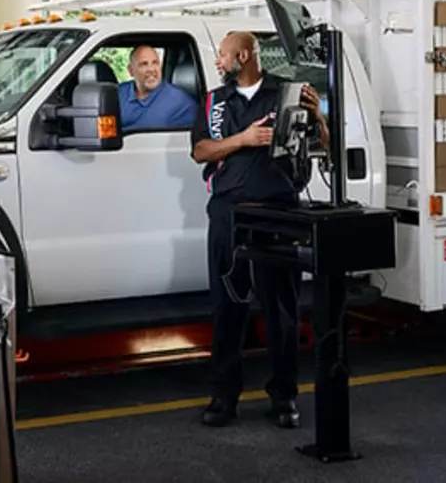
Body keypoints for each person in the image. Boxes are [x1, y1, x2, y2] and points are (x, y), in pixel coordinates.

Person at [190, 31, 328, 429]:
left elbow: (322, 146)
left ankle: (284, 397)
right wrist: (244, 139)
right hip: (228, 215)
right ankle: (224, 396)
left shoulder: (288, 95)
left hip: (278, 214)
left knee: (282, 311)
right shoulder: (215, 101)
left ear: (244, 56)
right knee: (226, 307)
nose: (218, 61)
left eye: (223, 55)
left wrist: (318, 117)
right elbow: (200, 150)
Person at [117, 45, 197, 131]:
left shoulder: (181, 102)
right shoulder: (118, 93)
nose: (151, 69)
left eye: (155, 63)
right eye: (144, 64)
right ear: (131, 70)